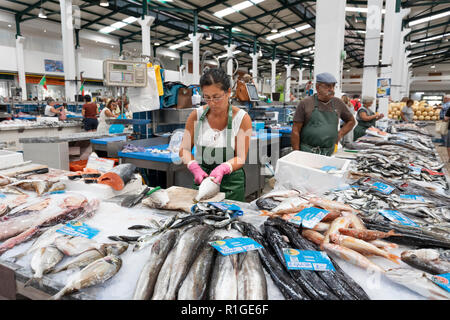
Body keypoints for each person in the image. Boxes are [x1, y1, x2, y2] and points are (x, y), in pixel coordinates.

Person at [179, 68, 252, 201]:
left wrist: (224, 168)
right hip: (203, 181)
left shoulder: (242, 118)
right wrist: (194, 167)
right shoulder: (196, 115)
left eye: (216, 97)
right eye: (207, 97)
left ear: (228, 92)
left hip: (232, 184)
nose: (211, 103)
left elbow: (241, 157)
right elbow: (184, 150)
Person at [291, 73, 356, 156]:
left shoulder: (338, 103)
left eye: (333, 86)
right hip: (307, 152)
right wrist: (296, 154)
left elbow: (351, 121)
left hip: (329, 152)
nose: (332, 89)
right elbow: (295, 130)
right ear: (317, 87)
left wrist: (339, 134)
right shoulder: (305, 103)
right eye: (328, 86)